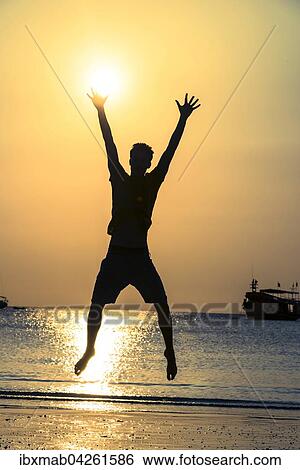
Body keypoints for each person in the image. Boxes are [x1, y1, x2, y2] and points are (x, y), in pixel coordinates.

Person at [75, 92, 200, 380]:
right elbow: (109, 144)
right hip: (116, 255)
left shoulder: (153, 182)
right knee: (96, 306)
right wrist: (101, 110)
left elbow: (170, 152)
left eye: (145, 159)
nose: (139, 161)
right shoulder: (118, 177)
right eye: (136, 157)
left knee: (162, 305)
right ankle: (90, 349)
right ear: (131, 160)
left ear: (147, 163)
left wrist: (182, 120)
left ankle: (169, 351)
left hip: (140, 259)